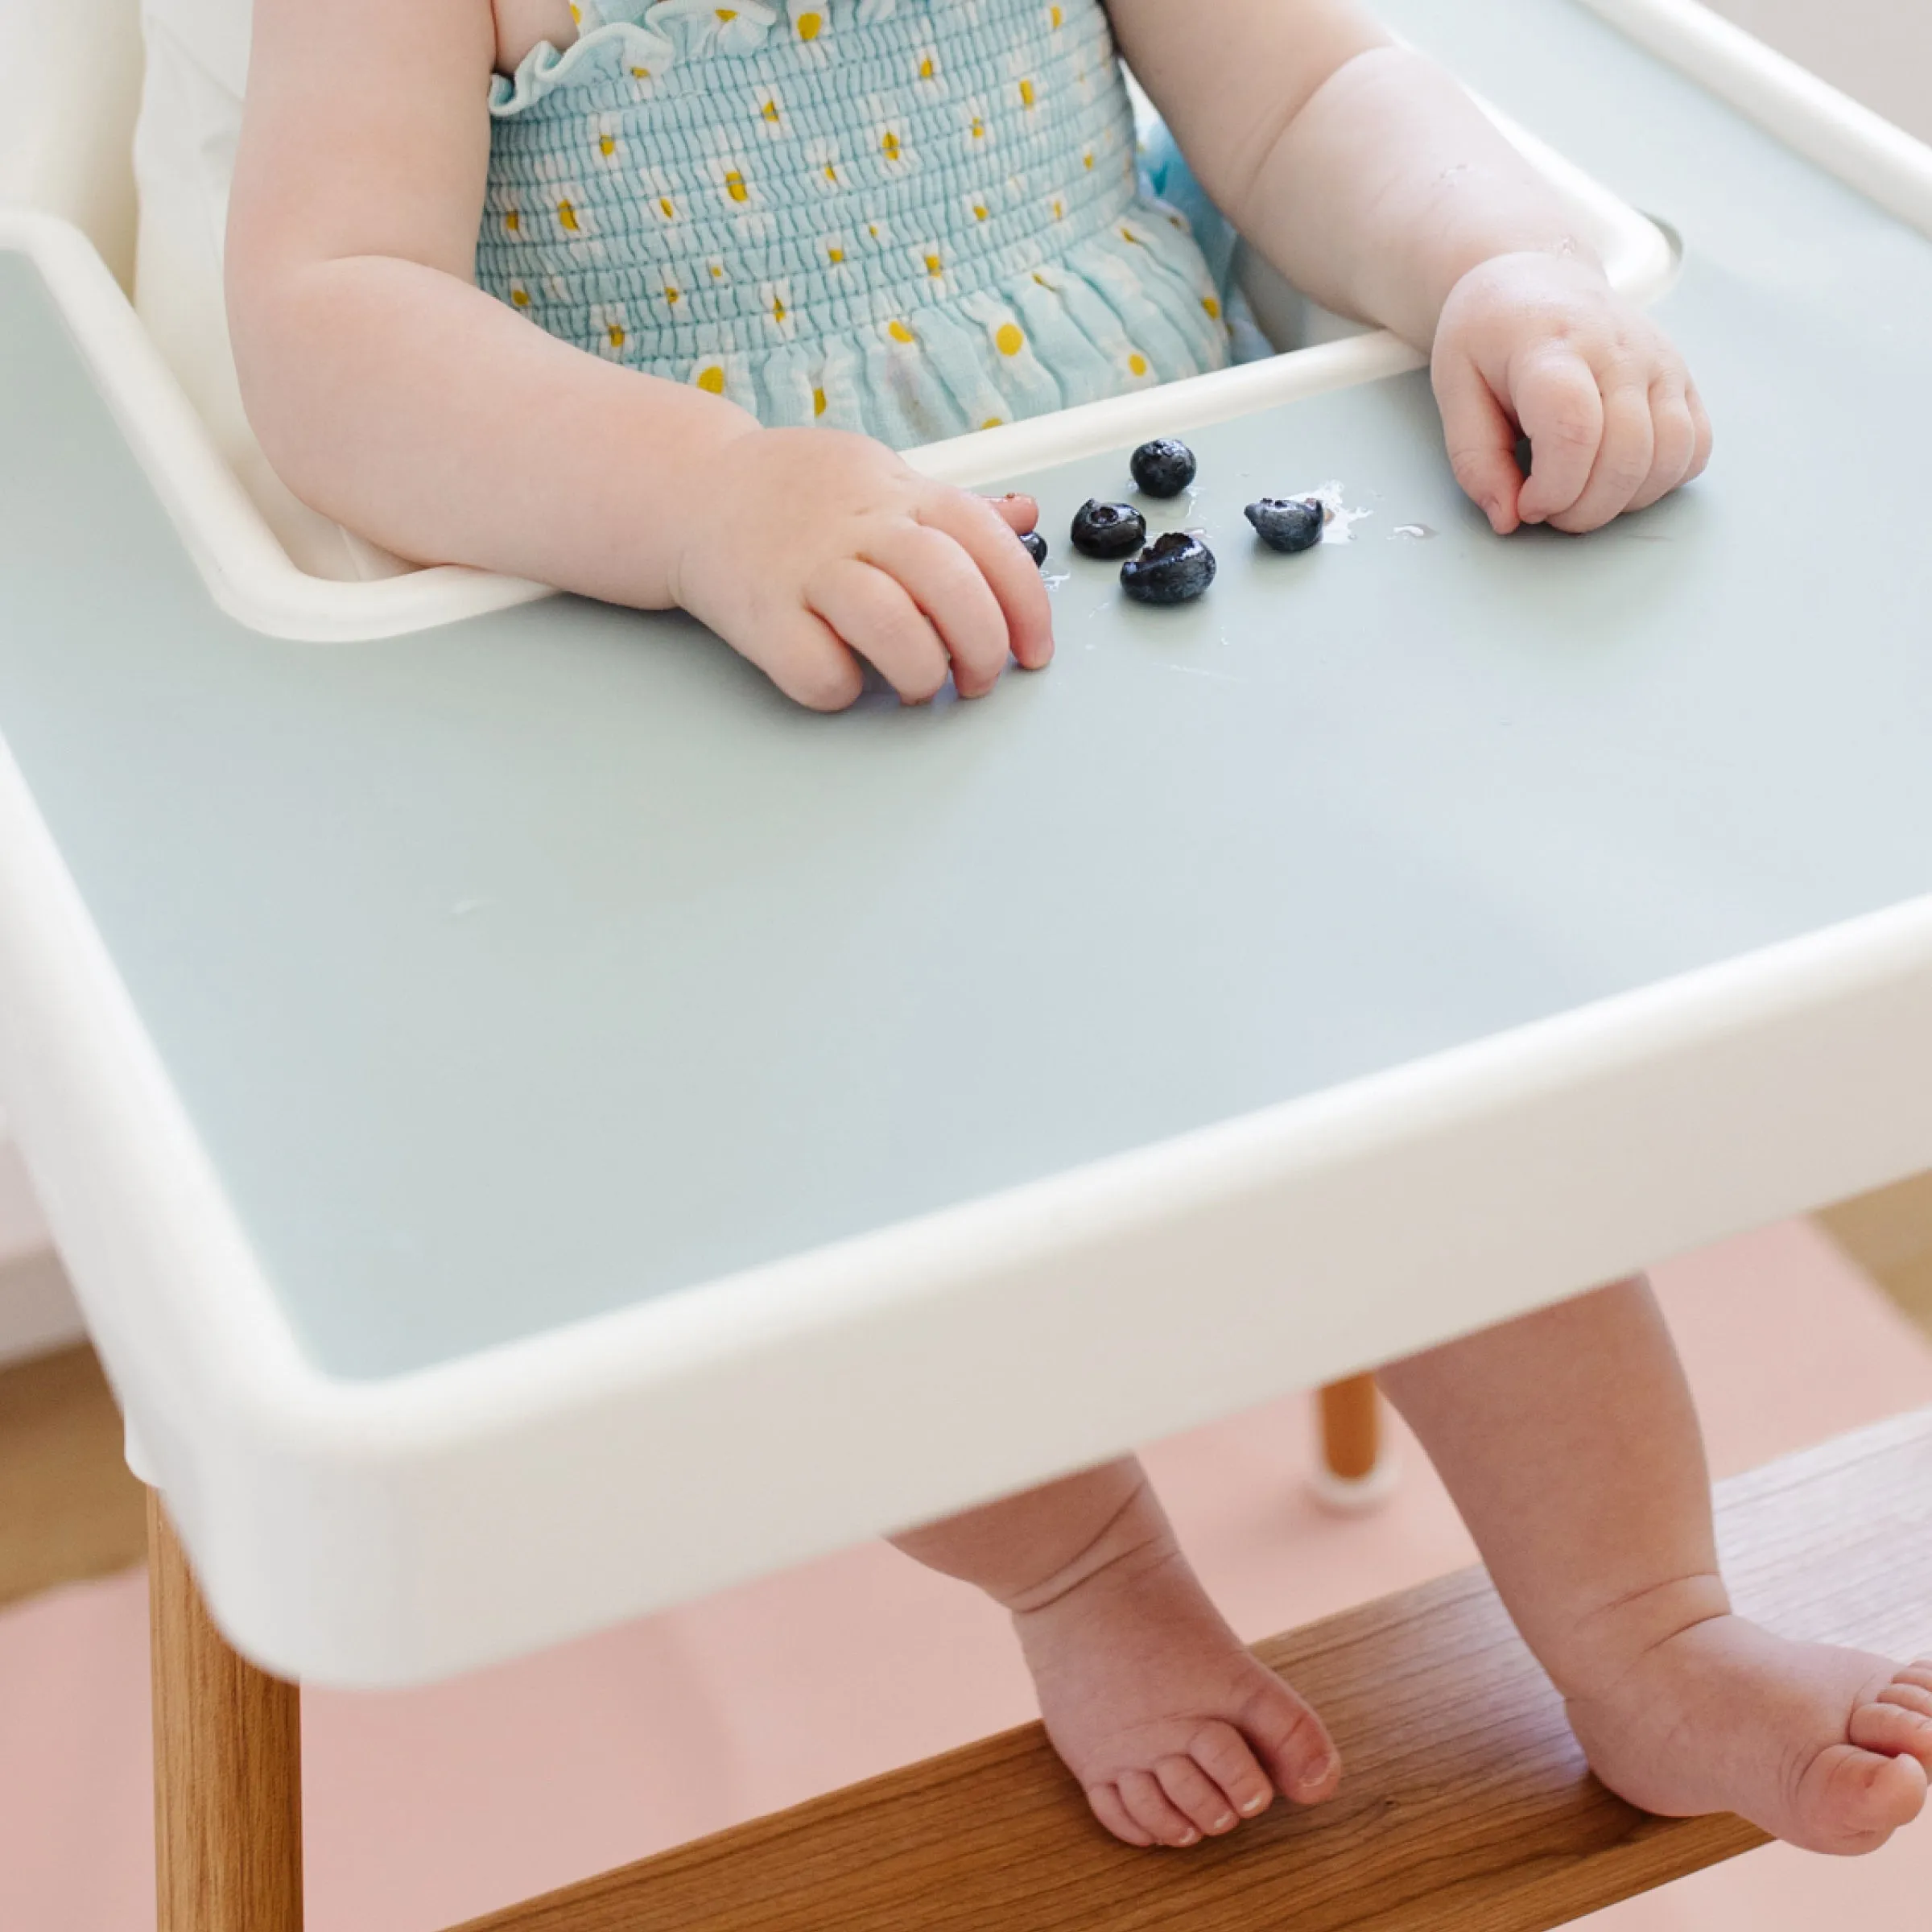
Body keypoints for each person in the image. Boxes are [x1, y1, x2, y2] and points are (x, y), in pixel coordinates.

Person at [227, 0, 1930, 1856]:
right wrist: (704, 493)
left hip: (1182, 659)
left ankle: (1648, 1631)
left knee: (1446, 1141)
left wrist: (1493, 266)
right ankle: (1085, 1570)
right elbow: (331, 322)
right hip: (739, 708)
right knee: (853, 1271)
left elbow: (1306, 99)